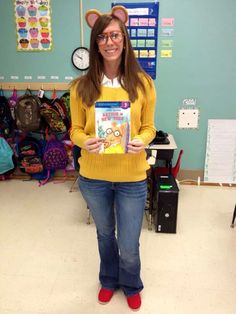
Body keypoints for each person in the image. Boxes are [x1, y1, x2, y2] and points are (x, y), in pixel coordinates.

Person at [70, 5, 156, 311]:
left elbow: (149, 127)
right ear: (95, 43)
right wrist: (85, 142)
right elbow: (76, 130)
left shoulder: (143, 83)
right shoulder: (81, 87)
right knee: (105, 234)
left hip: (131, 175)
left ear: (124, 39)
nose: (109, 42)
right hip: (94, 177)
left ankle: (131, 283)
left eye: (115, 35)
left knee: (129, 243)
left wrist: (141, 140)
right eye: (102, 37)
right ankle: (108, 280)